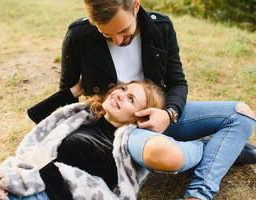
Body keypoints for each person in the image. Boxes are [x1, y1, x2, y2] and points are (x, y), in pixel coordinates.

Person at [27, 0, 256, 199]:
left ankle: (201, 186)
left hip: (160, 109)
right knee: (170, 156)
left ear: (135, 5)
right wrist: (79, 91)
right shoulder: (79, 35)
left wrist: (169, 114)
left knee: (241, 114)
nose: (117, 40)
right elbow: (66, 98)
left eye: (123, 29)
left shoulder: (161, 27)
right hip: (122, 130)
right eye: (106, 33)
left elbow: (178, 83)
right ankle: (210, 164)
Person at [0, 80, 204, 200]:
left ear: (139, 117)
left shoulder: (117, 152)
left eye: (131, 100)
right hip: (11, 179)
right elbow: (36, 115)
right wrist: (75, 90)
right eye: (123, 89)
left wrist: (44, 166)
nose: (120, 95)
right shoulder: (82, 117)